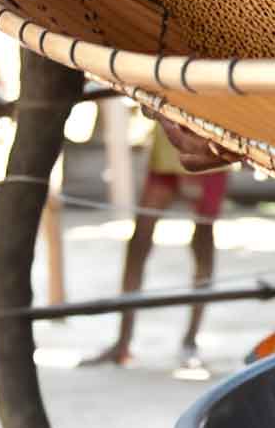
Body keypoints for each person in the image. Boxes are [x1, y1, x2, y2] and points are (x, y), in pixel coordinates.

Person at [89, 120, 228, 375]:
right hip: (167, 147)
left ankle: (190, 341)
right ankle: (123, 341)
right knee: (140, 239)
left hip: (207, 145)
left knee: (202, 241)